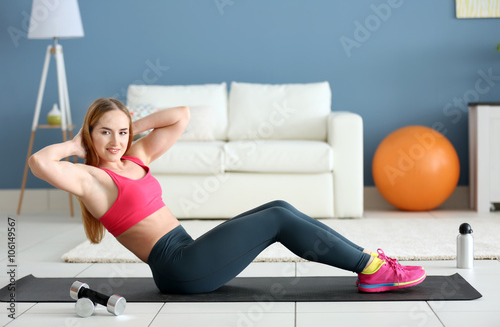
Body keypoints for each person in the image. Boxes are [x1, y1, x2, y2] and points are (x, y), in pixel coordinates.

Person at [29, 97, 426, 294]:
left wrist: (132, 124)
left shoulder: (137, 154)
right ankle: (371, 270)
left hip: (187, 251)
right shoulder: (92, 180)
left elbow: (181, 115)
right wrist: (78, 143)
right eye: (104, 132)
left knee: (279, 207)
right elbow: (39, 162)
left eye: (121, 132)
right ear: (90, 134)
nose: (115, 141)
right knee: (279, 221)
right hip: (178, 268)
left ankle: (371, 262)